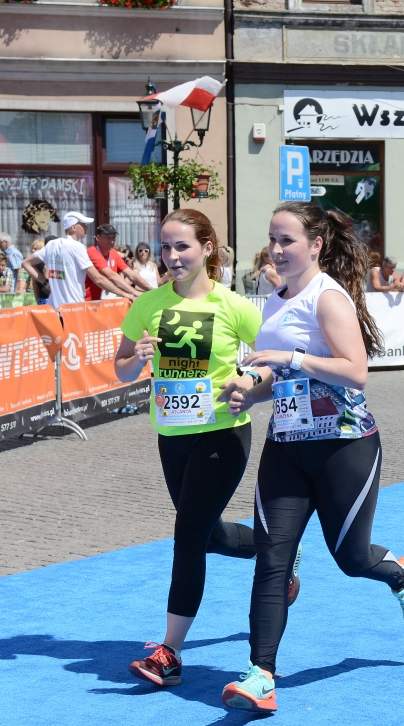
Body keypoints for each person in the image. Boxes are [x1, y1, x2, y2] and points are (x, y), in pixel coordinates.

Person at [217, 201, 404, 713]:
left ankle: (401, 575)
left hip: (345, 447)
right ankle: (260, 675)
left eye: (287, 240)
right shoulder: (274, 299)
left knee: (351, 560)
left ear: (315, 245)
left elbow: (356, 372)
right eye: (272, 239)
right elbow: (279, 377)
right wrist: (250, 393)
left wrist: (288, 356)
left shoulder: (328, 297)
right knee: (272, 560)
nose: (276, 249)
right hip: (286, 448)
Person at [112, 208, 264, 689]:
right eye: (166, 246)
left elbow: (272, 362)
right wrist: (135, 358)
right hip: (172, 436)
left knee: (187, 535)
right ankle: (277, 553)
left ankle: (170, 653)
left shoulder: (234, 306)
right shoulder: (147, 304)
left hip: (223, 433)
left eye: (183, 246)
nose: (173, 256)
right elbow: (119, 368)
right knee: (208, 535)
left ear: (207, 248)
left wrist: (249, 382)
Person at [23, 212, 127, 307]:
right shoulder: (77, 247)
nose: (86, 228)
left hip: (54, 308)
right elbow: (98, 279)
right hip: (73, 309)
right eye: (83, 224)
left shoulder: (52, 244)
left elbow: (26, 263)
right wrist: (124, 293)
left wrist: (45, 282)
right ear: (74, 227)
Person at [87, 224, 144, 300]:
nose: (112, 241)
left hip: (108, 301)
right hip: (89, 302)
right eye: (108, 238)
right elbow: (111, 276)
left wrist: (152, 290)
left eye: (113, 237)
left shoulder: (113, 252)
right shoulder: (92, 251)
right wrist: (134, 292)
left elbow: (131, 274)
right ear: (98, 238)